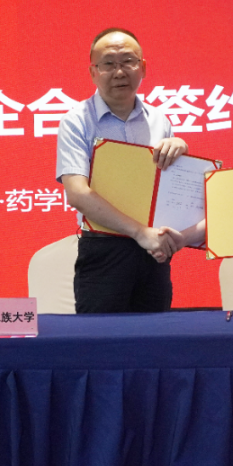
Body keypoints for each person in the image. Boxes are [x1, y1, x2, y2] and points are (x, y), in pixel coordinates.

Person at [55, 28, 189, 313]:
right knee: (101, 338)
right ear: (93, 72)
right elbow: (77, 193)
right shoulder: (77, 121)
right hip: (104, 252)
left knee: (154, 336)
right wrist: (139, 232)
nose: (119, 72)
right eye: (108, 63)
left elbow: (167, 189)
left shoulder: (160, 120)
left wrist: (180, 151)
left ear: (143, 68)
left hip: (153, 252)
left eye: (128, 61)